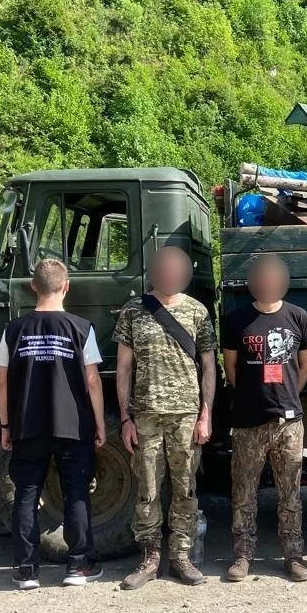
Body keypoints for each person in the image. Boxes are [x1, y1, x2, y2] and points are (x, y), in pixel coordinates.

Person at [0, 259, 105, 590]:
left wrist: (5, 426)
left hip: (27, 426)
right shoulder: (81, 328)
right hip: (73, 426)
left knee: (26, 494)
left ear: (33, 287)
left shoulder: (13, 330)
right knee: (76, 492)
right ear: (66, 286)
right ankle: (78, 566)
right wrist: (99, 423)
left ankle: (26, 570)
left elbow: (2, 383)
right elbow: (93, 382)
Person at [113, 246, 217, 589]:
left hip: (186, 415)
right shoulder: (133, 311)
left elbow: (209, 367)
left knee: (186, 487)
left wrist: (205, 414)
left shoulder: (197, 311)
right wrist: (125, 419)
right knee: (147, 489)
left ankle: (181, 557)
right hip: (145, 415)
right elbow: (123, 368)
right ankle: (150, 558)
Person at [222, 254, 307, 582]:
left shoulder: (298, 316)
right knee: (244, 491)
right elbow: (230, 368)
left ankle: (293, 556)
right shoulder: (237, 320)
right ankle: (242, 556)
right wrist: (253, 396)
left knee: (290, 492)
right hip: (248, 421)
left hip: (289, 423)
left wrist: (288, 396)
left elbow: (306, 365)